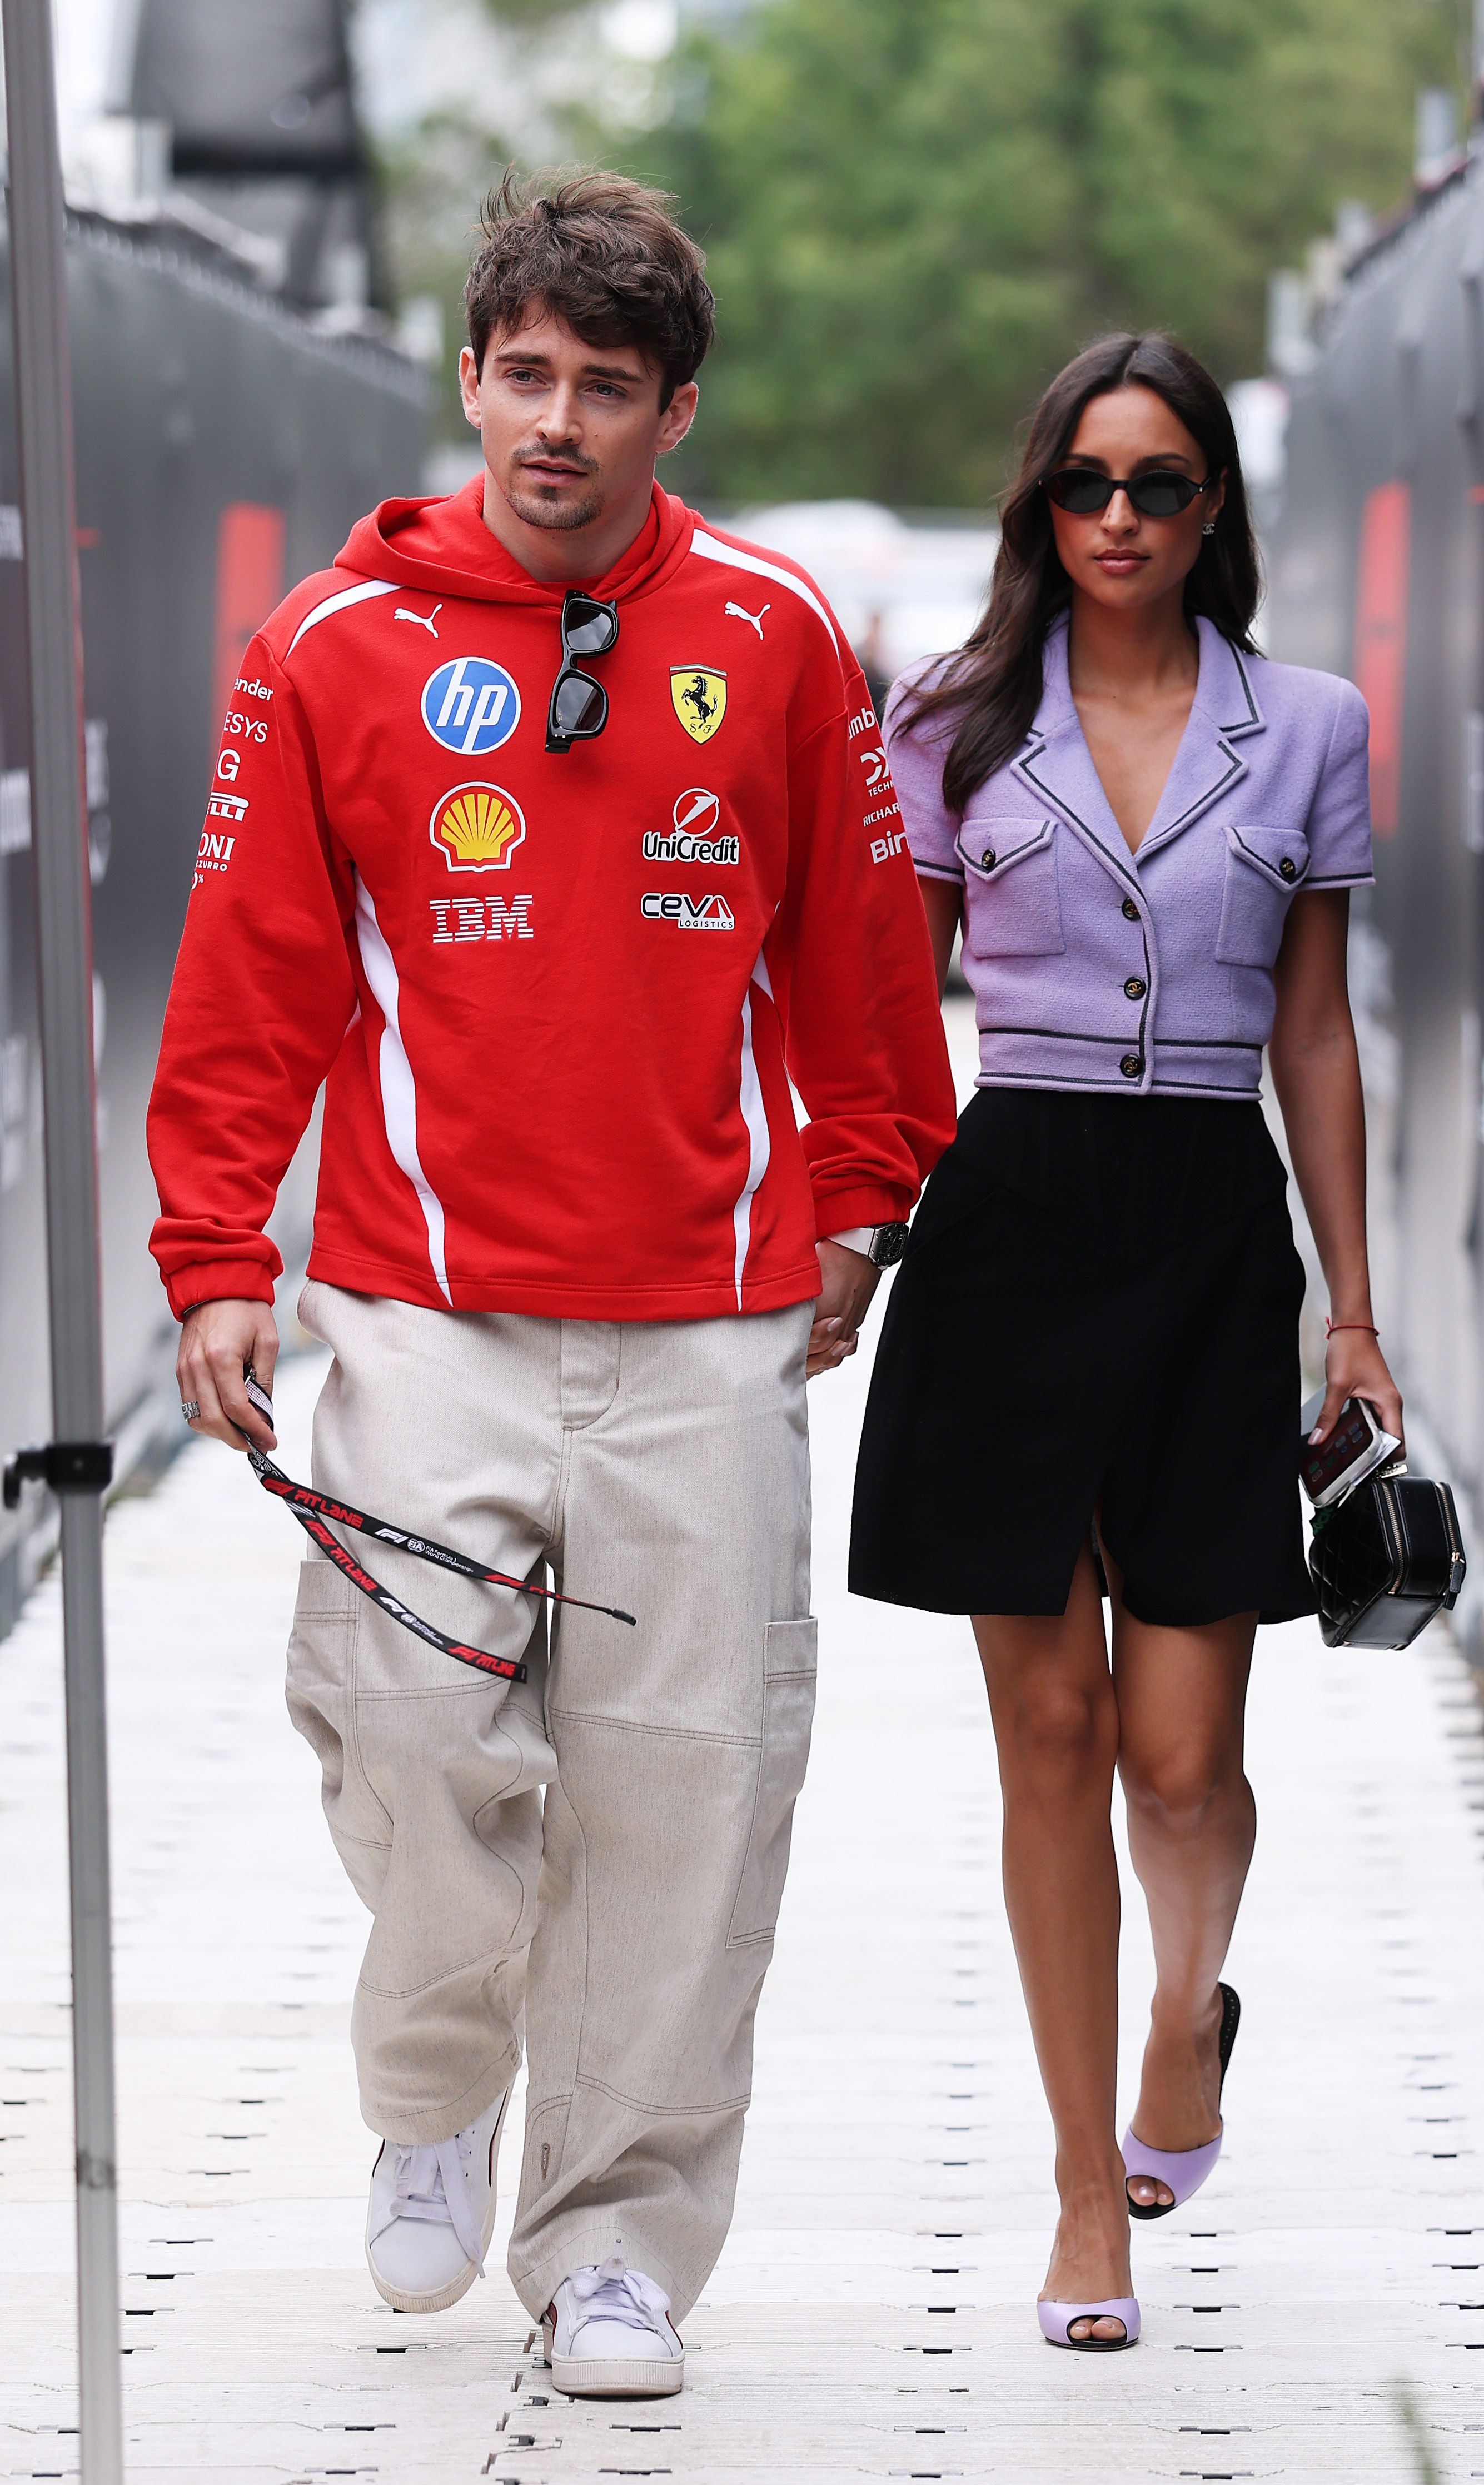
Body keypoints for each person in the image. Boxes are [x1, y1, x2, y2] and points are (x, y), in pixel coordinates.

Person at [147, 170, 953, 2399]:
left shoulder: (777, 637)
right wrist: (222, 1253)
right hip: (419, 1311)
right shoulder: (334, 646)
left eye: (610, 386)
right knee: (409, 1730)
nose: (560, 422)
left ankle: (614, 2241)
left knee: (687, 1787)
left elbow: (862, 965)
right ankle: (435, 2073)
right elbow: (248, 989)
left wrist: (863, 1192)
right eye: (526, 375)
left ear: (670, 410)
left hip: (703, 1326)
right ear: (471, 378)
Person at [849, 331, 1401, 2353]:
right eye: (1084, 484)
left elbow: (1315, 1030)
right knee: (1052, 1737)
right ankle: (1088, 2196)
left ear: (1213, 507)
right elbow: (892, 1017)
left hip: (1203, 1230)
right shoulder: (955, 719)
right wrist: (861, 1232)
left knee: (1186, 1759)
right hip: (1007, 1222)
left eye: (1157, 486)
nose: (1115, 521)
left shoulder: (1315, 723)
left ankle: (1191, 2016)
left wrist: (1353, 1306)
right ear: (1039, 503)